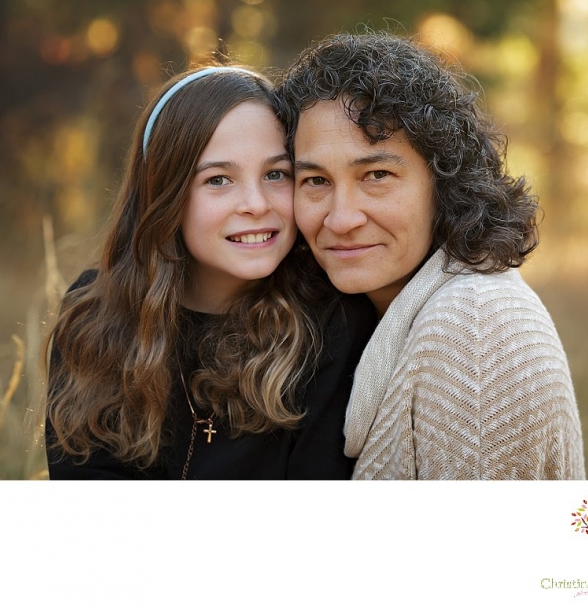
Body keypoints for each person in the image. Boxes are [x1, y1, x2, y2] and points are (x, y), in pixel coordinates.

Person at [275, 31, 586, 479]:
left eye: (377, 175)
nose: (341, 219)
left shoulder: (474, 330)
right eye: (316, 181)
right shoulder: (358, 321)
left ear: (443, 180)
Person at [42, 65, 377, 479]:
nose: (256, 204)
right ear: (166, 195)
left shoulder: (332, 322)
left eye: (276, 174)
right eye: (218, 179)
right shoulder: (95, 317)